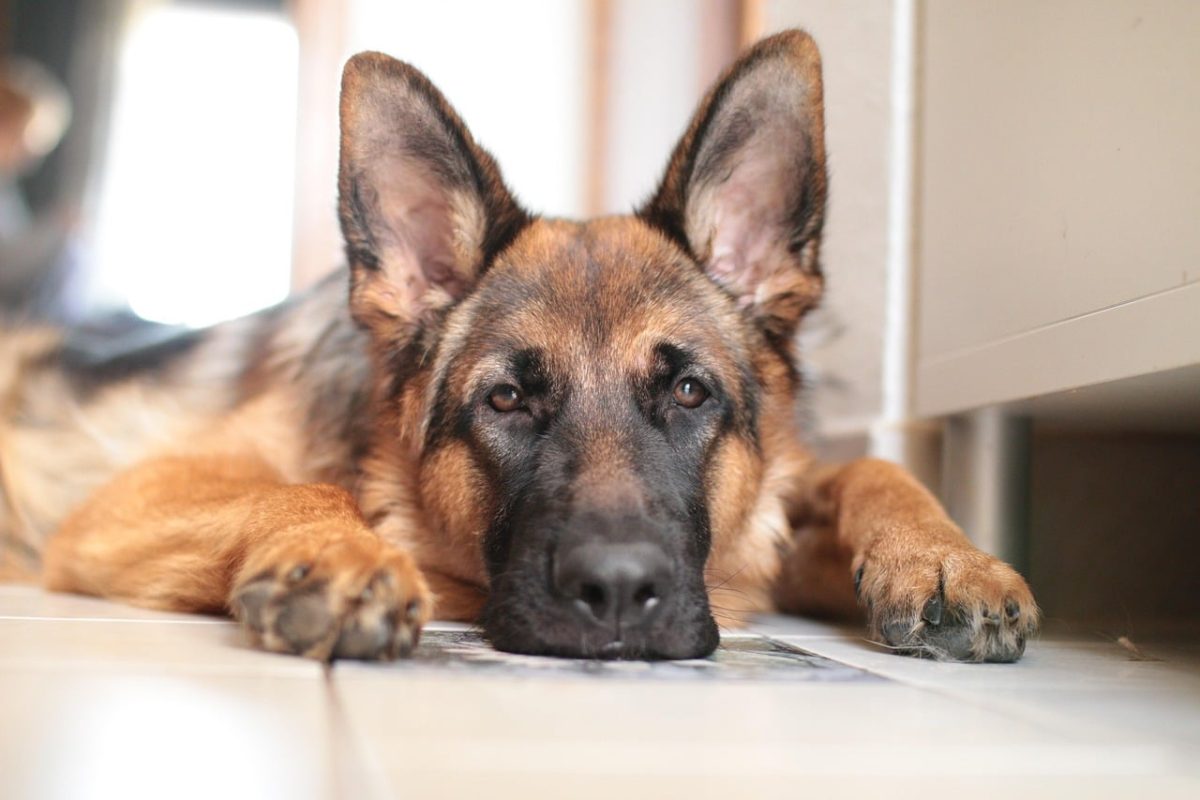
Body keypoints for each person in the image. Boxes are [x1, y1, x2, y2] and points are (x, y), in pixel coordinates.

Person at [0, 57, 73, 319]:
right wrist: (55, 230)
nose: (30, 152)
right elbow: (5, 265)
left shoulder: (6, 184)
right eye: (26, 138)